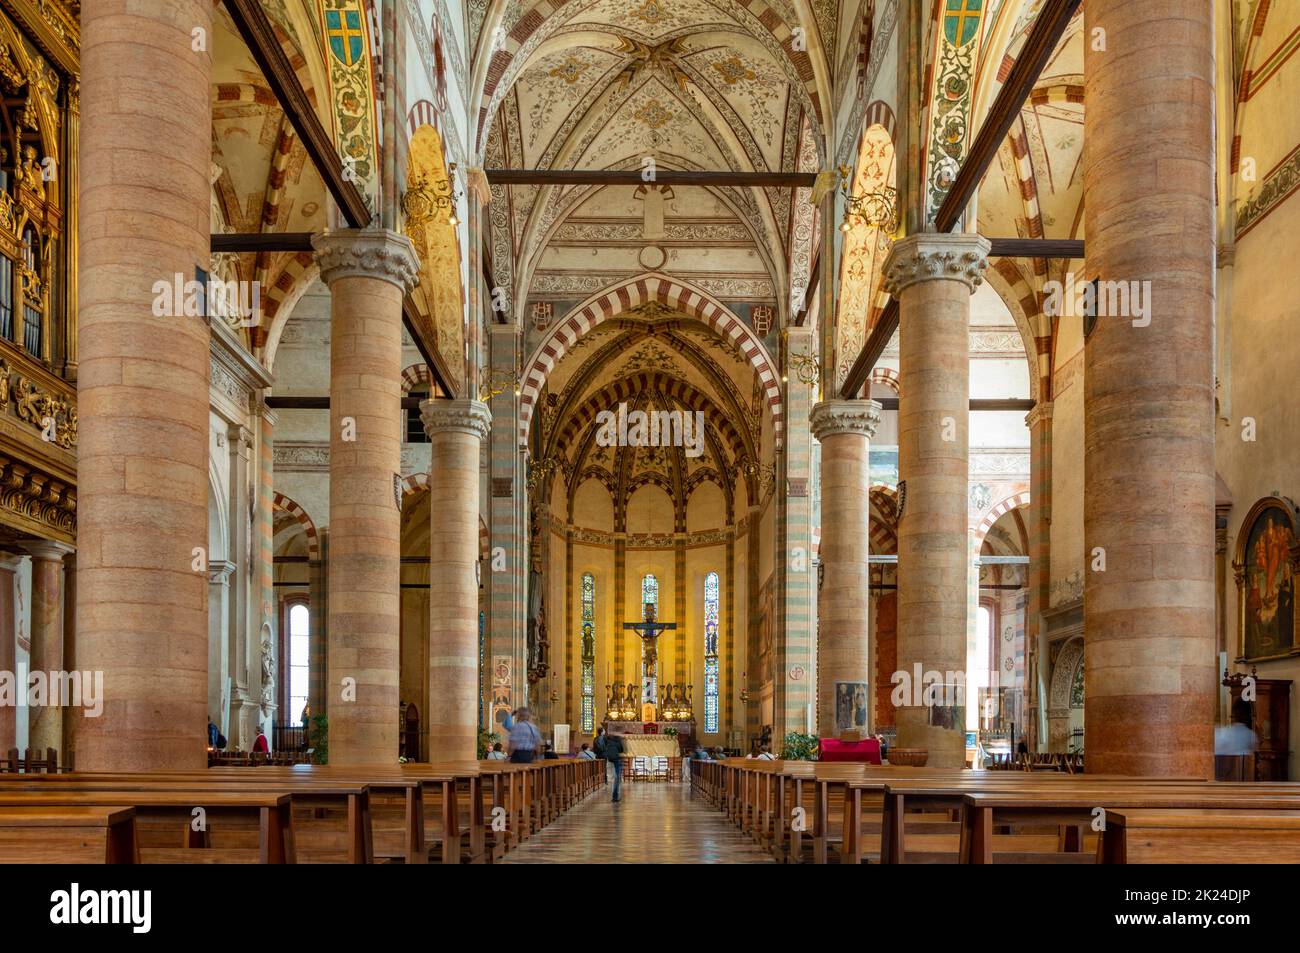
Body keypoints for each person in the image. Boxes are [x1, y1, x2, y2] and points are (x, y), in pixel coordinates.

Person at [604, 731, 625, 802]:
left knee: (613, 778)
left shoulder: (608, 741)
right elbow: (622, 750)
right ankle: (615, 796)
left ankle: (614, 795)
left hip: (609, 760)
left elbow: (604, 749)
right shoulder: (618, 742)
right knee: (617, 778)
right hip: (616, 760)